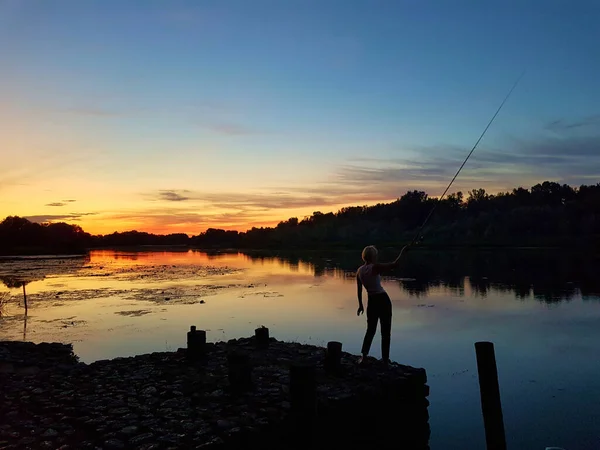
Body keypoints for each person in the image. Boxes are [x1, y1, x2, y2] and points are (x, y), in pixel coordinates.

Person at [356, 244, 408, 365]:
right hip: (383, 300)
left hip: (371, 301)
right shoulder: (375, 267)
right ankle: (385, 360)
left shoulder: (359, 271)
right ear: (373, 256)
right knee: (385, 331)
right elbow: (395, 264)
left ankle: (364, 357)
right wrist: (403, 252)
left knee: (370, 329)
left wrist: (360, 305)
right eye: (376, 255)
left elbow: (359, 290)